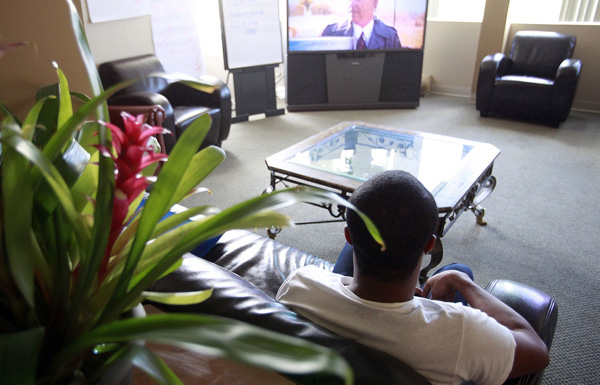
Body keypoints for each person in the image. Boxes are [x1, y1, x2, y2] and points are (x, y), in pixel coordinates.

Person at [276, 170, 549, 385]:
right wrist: (463, 283)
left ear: (348, 236)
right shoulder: (461, 331)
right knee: (460, 271)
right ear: (429, 246)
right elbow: (536, 351)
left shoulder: (300, 284)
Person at [321, 0, 402, 50]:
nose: (351, 4)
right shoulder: (331, 33)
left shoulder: (390, 38)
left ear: (375, 2)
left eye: (357, 0)